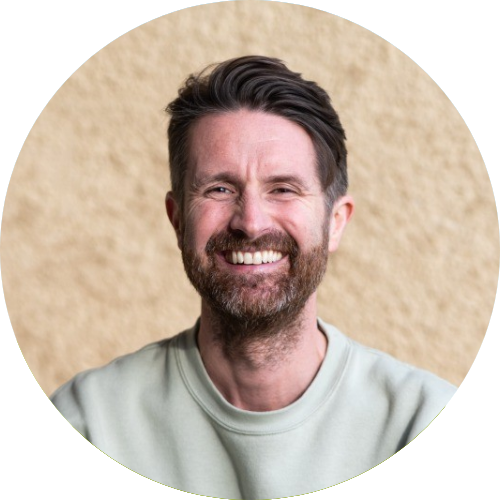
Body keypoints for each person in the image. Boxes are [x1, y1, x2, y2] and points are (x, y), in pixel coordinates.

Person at [50, 55, 457, 498]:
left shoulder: (419, 421)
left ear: (335, 222)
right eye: (220, 189)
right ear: (178, 220)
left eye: (282, 189)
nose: (251, 222)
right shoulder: (90, 421)